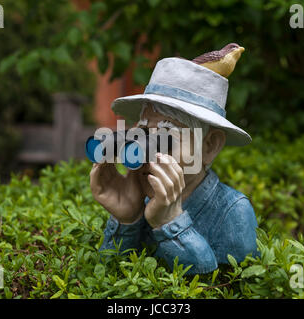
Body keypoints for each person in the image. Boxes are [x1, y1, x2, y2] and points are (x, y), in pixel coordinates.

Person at [90, 57, 258, 274]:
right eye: (142, 132)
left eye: (166, 136)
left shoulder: (233, 212)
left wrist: (170, 223)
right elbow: (108, 280)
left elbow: (230, 288)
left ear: (209, 145)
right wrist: (127, 221)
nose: (147, 154)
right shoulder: (142, 198)